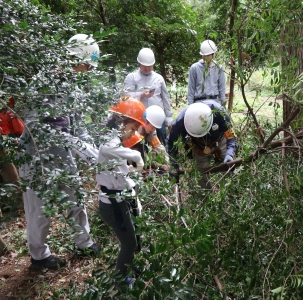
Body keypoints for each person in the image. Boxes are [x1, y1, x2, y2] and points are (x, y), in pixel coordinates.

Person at [18, 34, 100, 270]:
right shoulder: (43, 81)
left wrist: (92, 150)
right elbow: (34, 125)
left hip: (63, 155)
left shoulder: (72, 88)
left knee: (76, 198)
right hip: (36, 159)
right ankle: (39, 256)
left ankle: (84, 242)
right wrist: (71, 141)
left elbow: (78, 125)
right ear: (73, 58)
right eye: (86, 65)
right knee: (38, 209)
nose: (86, 71)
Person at [97, 98, 165, 285]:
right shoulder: (109, 142)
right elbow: (107, 149)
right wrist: (135, 156)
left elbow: (122, 167)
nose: (135, 133)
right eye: (135, 127)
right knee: (130, 243)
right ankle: (120, 280)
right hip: (113, 204)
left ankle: (130, 266)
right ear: (123, 122)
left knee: (135, 235)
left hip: (123, 199)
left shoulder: (117, 140)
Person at [168, 100, 237, 190]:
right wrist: (174, 166)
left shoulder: (219, 112)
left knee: (230, 166)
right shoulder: (180, 122)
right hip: (198, 146)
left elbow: (231, 136)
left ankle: (232, 191)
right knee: (201, 175)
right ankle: (207, 199)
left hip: (220, 140)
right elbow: (171, 143)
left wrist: (230, 153)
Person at [123, 48, 173, 146]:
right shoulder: (131, 78)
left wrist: (169, 116)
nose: (147, 68)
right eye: (144, 66)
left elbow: (165, 97)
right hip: (139, 119)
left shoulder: (159, 78)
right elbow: (126, 97)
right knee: (140, 144)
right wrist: (141, 95)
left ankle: (162, 160)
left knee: (160, 142)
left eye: (149, 66)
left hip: (158, 118)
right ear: (139, 63)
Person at [187, 40, 226, 106]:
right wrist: (190, 106)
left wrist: (223, 105)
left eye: (208, 55)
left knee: (225, 116)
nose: (205, 57)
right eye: (203, 55)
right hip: (198, 102)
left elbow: (222, 88)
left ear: (213, 54)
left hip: (214, 102)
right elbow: (191, 89)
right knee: (182, 116)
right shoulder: (195, 68)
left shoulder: (219, 68)